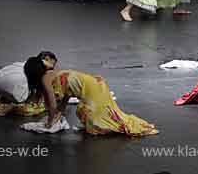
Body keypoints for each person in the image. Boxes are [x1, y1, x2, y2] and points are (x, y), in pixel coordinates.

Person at [23, 55, 158, 136]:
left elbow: (52, 104)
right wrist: (59, 114)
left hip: (93, 89)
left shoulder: (45, 79)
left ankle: (102, 125)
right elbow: (67, 96)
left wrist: (50, 122)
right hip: (96, 84)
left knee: (89, 117)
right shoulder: (54, 73)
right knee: (97, 112)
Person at [0, 51, 57, 116]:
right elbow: (42, 90)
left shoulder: (25, 62)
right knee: (32, 97)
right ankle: (7, 108)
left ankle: (1, 101)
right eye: (53, 64)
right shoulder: (41, 67)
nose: (53, 67)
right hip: (14, 88)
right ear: (47, 59)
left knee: (21, 83)